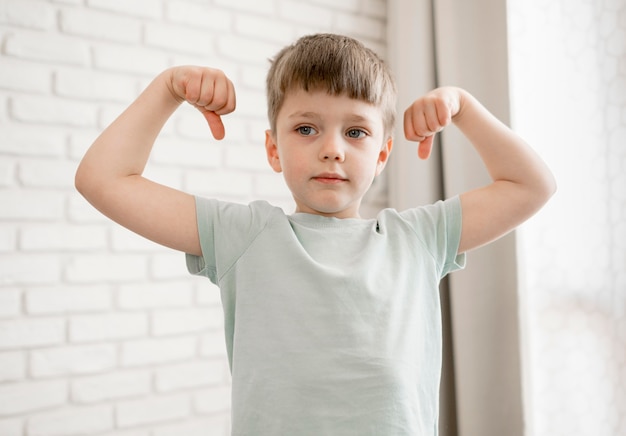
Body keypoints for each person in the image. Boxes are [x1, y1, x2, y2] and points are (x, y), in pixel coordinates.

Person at [75, 33, 556, 435]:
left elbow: (532, 186)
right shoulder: (243, 236)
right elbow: (103, 180)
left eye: (356, 132)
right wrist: (167, 89)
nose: (332, 150)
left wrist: (464, 107)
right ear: (273, 149)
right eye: (306, 128)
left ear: (383, 154)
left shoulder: (419, 239)